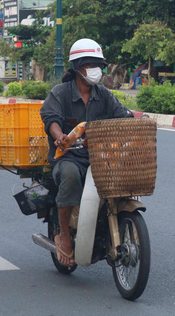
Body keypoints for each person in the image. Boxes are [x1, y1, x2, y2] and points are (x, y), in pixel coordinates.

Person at [40, 38, 133, 266]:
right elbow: (51, 119)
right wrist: (59, 136)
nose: (96, 70)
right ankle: (63, 235)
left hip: (100, 157)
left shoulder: (104, 95)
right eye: (90, 65)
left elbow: (122, 116)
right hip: (69, 157)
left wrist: (133, 120)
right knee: (70, 175)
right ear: (78, 68)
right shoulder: (60, 93)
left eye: (98, 65)